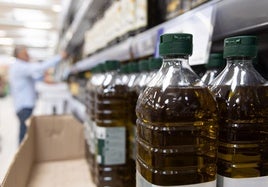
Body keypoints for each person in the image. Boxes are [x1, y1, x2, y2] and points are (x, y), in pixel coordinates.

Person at [9, 46, 68, 144]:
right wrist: (59, 57)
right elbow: (40, 67)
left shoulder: (21, 67)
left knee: (24, 132)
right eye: (26, 53)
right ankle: (22, 156)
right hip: (24, 107)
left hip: (23, 106)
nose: (29, 56)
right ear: (19, 55)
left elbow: (37, 78)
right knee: (24, 135)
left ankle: (22, 153)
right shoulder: (20, 66)